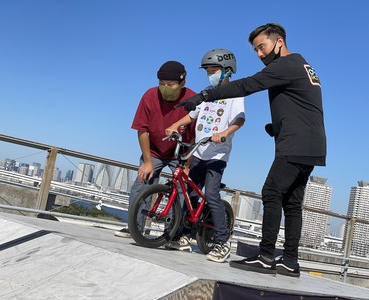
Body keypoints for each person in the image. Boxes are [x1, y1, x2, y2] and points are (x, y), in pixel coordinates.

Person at [177, 23, 326, 277]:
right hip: (312, 145)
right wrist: (277, 125)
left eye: (262, 47)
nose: (259, 54)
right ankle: (290, 261)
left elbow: (246, 85)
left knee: (271, 192)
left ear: (279, 42)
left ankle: (266, 257)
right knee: (292, 204)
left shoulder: (286, 65)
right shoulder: (304, 66)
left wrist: (204, 95)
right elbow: (305, 105)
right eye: (255, 50)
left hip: (295, 143)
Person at [164, 49, 245, 263]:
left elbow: (240, 119)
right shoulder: (207, 92)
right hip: (198, 151)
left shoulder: (235, 93)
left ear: (228, 71)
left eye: (214, 70)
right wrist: (174, 125)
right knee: (189, 192)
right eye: (208, 70)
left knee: (211, 194)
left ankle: (221, 242)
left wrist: (225, 133)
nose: (211, 74)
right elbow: (191, 116)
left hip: (217, 155)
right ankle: (182, 236)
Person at [114, 60, 196, 238]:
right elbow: (142, 129)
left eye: (170, 84)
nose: (165, 88)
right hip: (154, 151)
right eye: (162, 84)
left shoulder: (193, 99)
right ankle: (134, 228)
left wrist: (187, 165)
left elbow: (196, 136)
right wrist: (148, 162)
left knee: (181, 191)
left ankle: (173, 234)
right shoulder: (150, 96)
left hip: (181, 153)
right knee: (141, 184)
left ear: (182, 83)